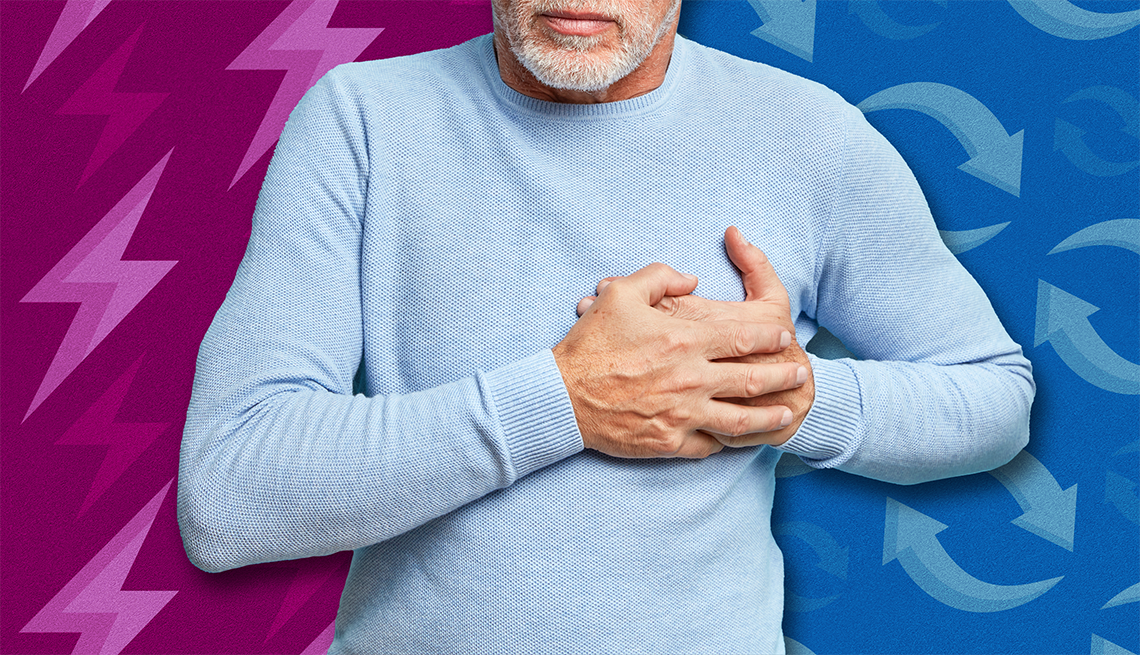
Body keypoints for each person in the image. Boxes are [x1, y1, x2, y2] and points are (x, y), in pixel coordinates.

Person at [177, 0, 1035, 652]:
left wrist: (780, 394)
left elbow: (993, 397)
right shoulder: (362, 121)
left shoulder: (810, 137)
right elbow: (231, 495)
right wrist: (564, 399)